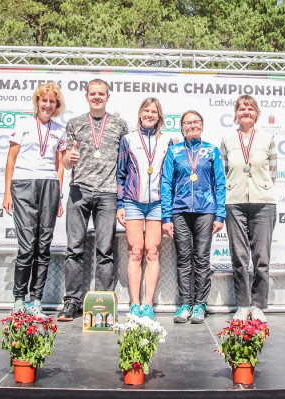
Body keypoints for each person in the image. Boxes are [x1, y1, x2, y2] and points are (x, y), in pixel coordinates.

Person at [59, 79, 128, 321]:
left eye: (101, 94)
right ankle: (72, 300)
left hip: (108, 193)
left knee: (105, 250)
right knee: (74, 248)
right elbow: (65, 162)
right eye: (92, 94)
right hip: (79, 190)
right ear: (86, 96)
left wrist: (123, 198)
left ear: (108, 96)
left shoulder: (120, 125)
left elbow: (125, 164)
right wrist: (70, 159)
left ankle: (103, 301)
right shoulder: (75, 123)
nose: (97, 97)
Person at [2, 83, 67, 316]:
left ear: (57, 105)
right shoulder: (22, 124)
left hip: (49, 184)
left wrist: (59, 196)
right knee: (27, 245)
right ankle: (19, 300)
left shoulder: (60, 129)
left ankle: (36, 301)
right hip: (23, 184)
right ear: (37, 102)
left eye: (52, 101)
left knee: (43, 245)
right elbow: (11, 160)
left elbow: (59, 165)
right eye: (44, 100)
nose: (47, 105)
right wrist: (7, 192)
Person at [161, 110, 226, 324]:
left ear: (202, 125)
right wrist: (166, 217)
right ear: (182, 127)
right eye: (188, 123)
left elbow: (220, 183)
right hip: (179, 210)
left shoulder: (212, 151)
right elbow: (166, 183)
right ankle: (185, 304)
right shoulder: (174, 151)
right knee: (183, 258)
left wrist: (220, 214)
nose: (192, 126)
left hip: (206, 210)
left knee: (201, 258)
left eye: (196, 122)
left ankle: (200, 304)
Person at [219, 95, 277, 323]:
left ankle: (259, 305)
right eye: (242, 108)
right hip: (234, 203)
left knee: (261, 257)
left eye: (250, 109)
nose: (246, 112)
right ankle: (243, 305)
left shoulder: (268, 138)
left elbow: (272, 171)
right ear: (236, 113)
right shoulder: (226, 139)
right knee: (239, 257)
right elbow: (224, 170)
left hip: (263, 203)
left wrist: (261, 187)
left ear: (256, 113)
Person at [116, 98, 173, 320]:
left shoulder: (168, 141)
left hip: (158, 203)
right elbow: (121, 174)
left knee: (152, 251)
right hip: (132, 201)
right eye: (146, 110)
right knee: (135, 250)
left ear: (159, 116)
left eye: (154, 111)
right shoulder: (128, 139)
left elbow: (170, 177)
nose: (149, 114)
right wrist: (120, 204)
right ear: (140, 113)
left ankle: (148, 304)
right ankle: (134, 302)